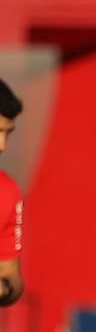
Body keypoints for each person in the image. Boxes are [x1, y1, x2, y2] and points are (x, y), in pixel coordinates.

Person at [0, 80, 27, 308]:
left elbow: (11, 275)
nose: (2, 145)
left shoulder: (7, 191)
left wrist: (4, 287)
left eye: (7, 133)